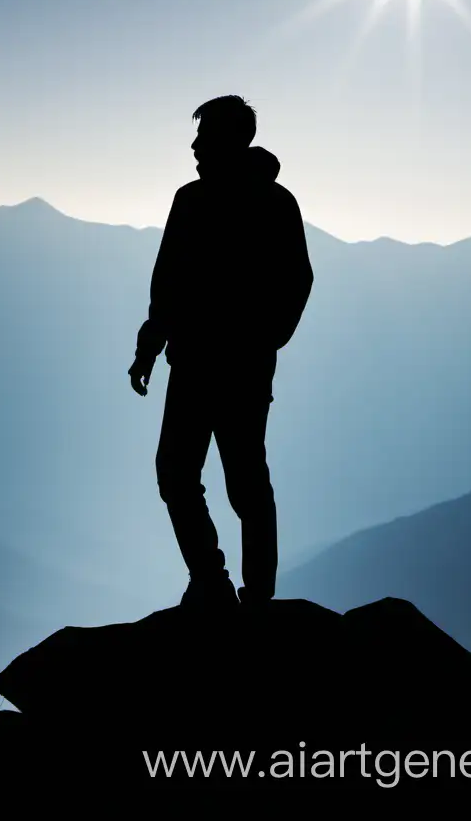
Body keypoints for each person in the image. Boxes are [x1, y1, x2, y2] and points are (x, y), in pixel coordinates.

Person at [128, 95, 313, 608]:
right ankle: (219, 582)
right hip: (202, 365)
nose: (194, 144)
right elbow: (167, 284)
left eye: (204, 134)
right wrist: (150, 346)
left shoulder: (271, 205)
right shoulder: (194, 200)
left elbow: (296, 281)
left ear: (233, 138)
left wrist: (260, 339)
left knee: (237, 483)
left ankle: (241, 592)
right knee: (187, 474)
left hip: (229, 369)